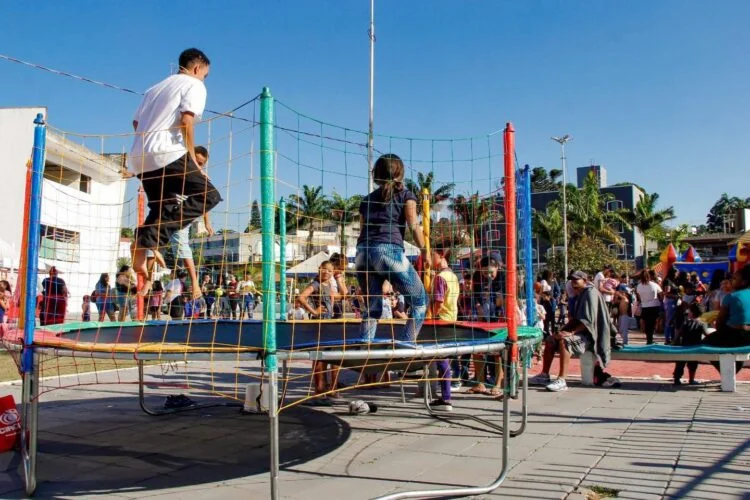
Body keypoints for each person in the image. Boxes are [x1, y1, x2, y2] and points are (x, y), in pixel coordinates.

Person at [129, 48, 221, 295]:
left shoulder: (154, 89)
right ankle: (149, 239)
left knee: (164, 205)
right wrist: (191, 157)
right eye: (205, 74)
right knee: (209, 195)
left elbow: (136, 122)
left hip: (140, 158)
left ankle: (142, 246)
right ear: (196, 69)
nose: (204, 79)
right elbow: (186, 121)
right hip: (167, 154)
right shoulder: (194, 85)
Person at [355, 153, 429, 343]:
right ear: (400, 173)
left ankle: (366, 351)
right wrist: (425, 250)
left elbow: (362, 231)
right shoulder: (406, 195)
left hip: (362, 254)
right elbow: (413, 225)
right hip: (387, 252)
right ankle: (406, 345)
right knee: (420, 302)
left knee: (373, 308)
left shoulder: (366, 200)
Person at [529, 270, 615, 392]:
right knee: (551, 339)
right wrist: (562, 330)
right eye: (572, 279)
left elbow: (588, 322)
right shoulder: (580, 294)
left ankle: (562, 379)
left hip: (591, 336)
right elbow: (576, 319)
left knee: (565, 341)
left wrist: (571, 333)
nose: (573, 282)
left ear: (585, 280)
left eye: (576, 279)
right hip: (580, 332)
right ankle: (544, 374)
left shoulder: (590, 293)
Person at [426, 248, 459, 411]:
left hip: (441, 322)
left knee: (442, 361)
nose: (429, 258)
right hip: (451, 320)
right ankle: (444, 397)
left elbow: (438, 302)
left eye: (432, 255)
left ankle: (446, 398)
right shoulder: (453, 276)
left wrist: (430, 318)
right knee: (443, 361)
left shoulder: (440, 278)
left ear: (441, 256)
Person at [703, 264, 750, 374]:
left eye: (734, 279)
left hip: (736, 335)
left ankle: (727, 373)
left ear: (743, 282)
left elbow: (720, 321)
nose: (731, 281)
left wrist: (719, 331)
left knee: (705, 344)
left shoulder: (731, 296)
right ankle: (732, 370)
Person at [673, 302, 707, 385]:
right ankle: (691, 379)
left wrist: (674, 343)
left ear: (691, 312)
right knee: (693, 364)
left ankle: (677, 379)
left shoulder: (685, 323)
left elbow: (678, 334)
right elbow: (707, 335)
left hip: (683, 346)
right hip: (695, 347)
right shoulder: (702, 324)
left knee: (680, 363)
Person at [636, 269, 662, 344]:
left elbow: (639, 297)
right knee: (653, 323)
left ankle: (649, 339)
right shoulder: (654, 285)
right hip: (654, 305)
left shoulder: (638, 286)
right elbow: (661, 295)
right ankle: (650, 338)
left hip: (645, 306)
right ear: (649, 276)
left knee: (647, 323)